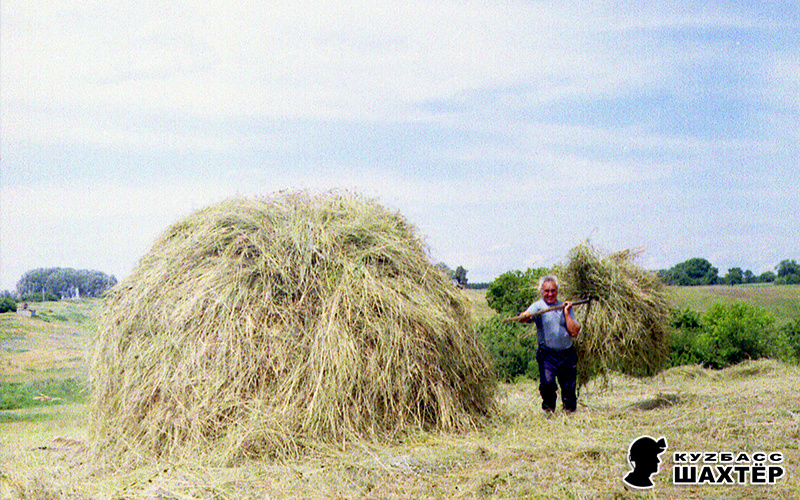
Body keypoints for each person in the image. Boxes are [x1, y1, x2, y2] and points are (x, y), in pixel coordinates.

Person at [508, 275, 581, 413]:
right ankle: (549, 410)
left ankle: (569, 413)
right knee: (547, 383)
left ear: (557, 291)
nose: (550, 294)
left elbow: (574, 332)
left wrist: (566, 312)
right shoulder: (538, 306)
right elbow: (524, 317)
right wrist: (524, 316)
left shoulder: (565, 306)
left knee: (568, 388)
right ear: (542, 291)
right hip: (547, 355)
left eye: (553, 290)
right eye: (547, 291)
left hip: (567, 354)